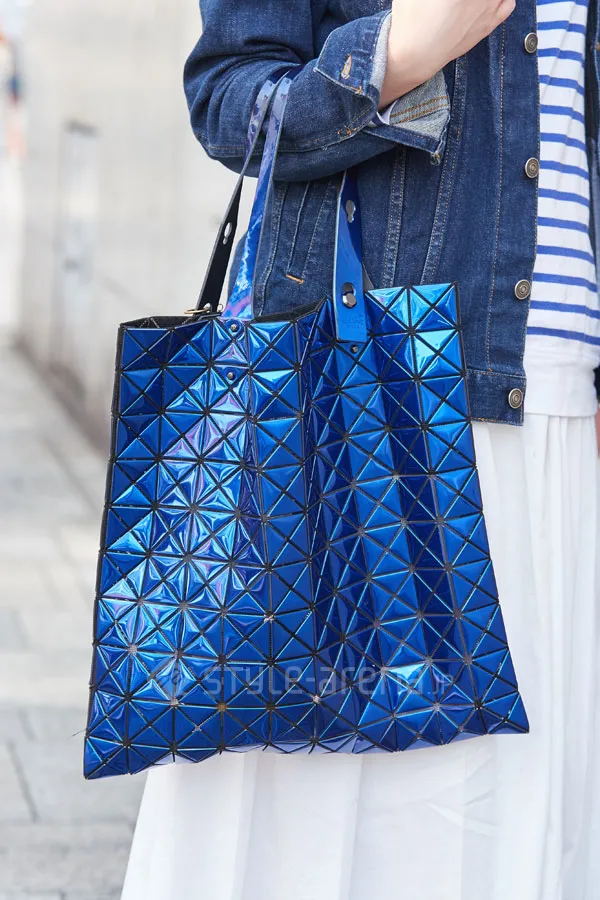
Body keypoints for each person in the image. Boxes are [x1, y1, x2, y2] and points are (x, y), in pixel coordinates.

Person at [120, 0, 600, 897]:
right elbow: (230, 99)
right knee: (347, 823)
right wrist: (391, 59)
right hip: (378, 388)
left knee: (522, 818)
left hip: (565, 404)